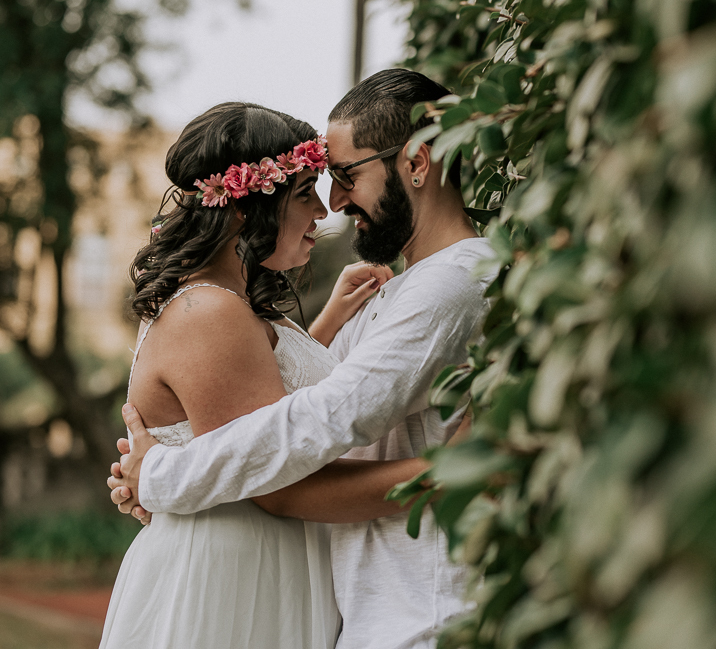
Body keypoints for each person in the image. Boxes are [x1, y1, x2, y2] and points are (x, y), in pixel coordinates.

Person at [110, 69, 499, 648]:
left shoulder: (447, 283)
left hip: (412, 607)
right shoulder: (217, 312)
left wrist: (163, 474)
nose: (330, 206)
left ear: (418, 163)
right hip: (247, 578)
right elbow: (305, 421)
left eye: (344, 176)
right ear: (248, 209)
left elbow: (325, 414)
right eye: (310, 190)